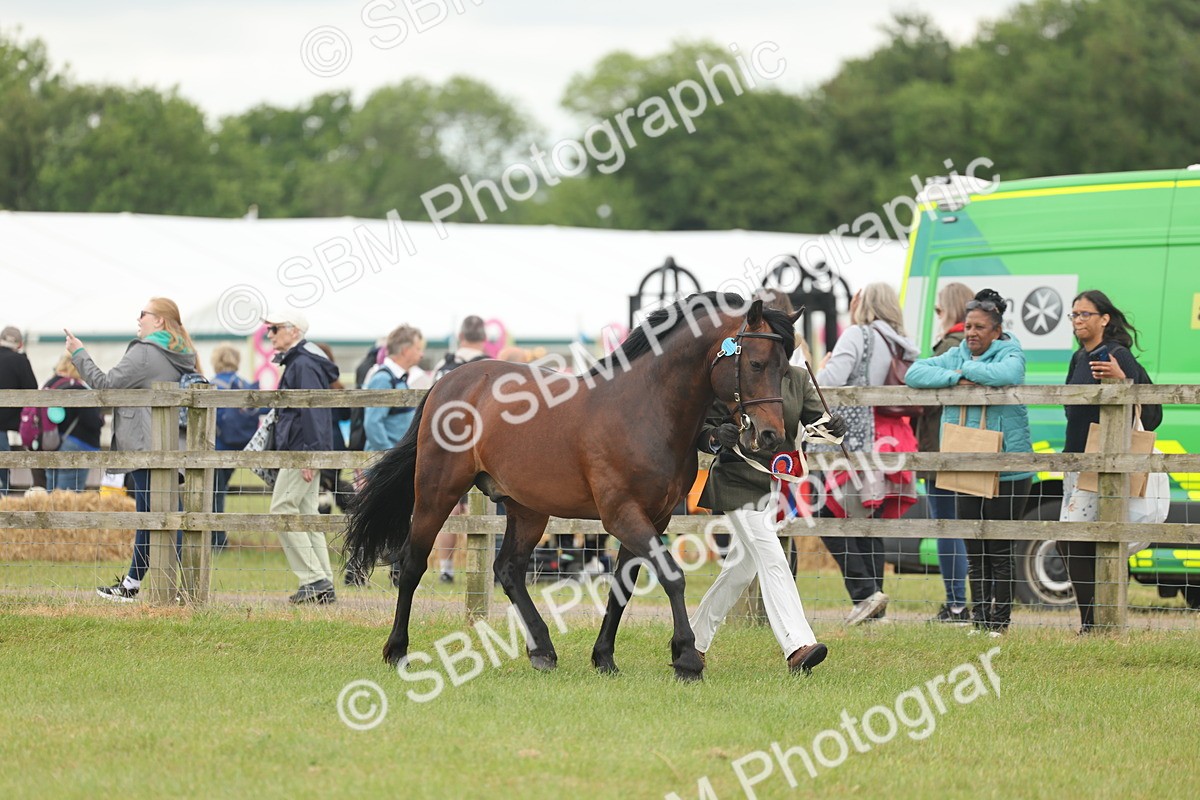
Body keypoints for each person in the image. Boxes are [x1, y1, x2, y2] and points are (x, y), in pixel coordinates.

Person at [690, 312, 846, 674]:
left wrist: (833, 427)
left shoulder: (799, 380)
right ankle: (797, 644)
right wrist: (717, 438)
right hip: (735, 481)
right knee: (772, 556)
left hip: (772, 487)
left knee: (741, 569)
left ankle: (692, 640)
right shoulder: (736, 378)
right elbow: (705, 431)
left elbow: (815, 426)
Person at [906, 288, 1034, 636]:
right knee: (974, 545)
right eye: (969, 327)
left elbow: (1007, 374)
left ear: (996, 330)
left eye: (980, 327)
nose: (972, 333)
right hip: (965, 462)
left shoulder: (1011, 351)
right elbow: (914, 374)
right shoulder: (959, 353)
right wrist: (953, 377)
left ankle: (1001, 619)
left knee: (1000, 545)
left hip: (1008, 468)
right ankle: (979, 617)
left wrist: (965, 370)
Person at [68, 299, 197, 601]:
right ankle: (134, 583)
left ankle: (170, 588)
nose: (138, 319)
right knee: (157, 515)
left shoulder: (145, 353)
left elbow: (106, 384)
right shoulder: (180, 354)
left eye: (143, 314)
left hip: (143, 443)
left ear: (160, 321)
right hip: (168, 445)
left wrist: (78, 353)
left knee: (156, 516)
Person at [1055, 290, 1161, 633]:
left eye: (1085, 314)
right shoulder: (1077, 358)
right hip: (1077, 464)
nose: (1078, 321)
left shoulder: (1118, 355)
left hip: (1105, 466)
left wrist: (1122, 382)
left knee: (1074, 540)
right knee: (1088, 541)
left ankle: (1094, 624)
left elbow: (1153, 414)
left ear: (1104, 319)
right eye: (1074, 315)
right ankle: (1101, 623)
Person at [814, 283, 920, 625]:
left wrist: (823, 364)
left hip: (853, 438)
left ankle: (865, 595)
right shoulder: (900, 341)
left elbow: (831, 380)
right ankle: (876, 607)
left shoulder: (858, 334)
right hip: (888, 434)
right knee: (867, 521)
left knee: (824, 511)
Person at [264, 309, 341, 604]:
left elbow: (313, 410)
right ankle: (323, 582)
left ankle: (314, 579)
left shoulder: (303, 363)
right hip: (304, 446)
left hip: (302, 448)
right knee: (307, 514)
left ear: (293, 331)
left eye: (275, 328)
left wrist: (309, 455)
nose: (270, 334)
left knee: (283, 509)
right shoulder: (302, 360)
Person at [913, 282, 974, 623]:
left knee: (946, 526)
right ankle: (959, 600)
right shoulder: (966, 345)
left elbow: (917, 379)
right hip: (957, 442)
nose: (937, 316)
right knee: (956, 524)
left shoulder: (950, 345)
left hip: (940, 443)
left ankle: (956, 603)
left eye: (939, 309)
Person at [429, 315, 490, 583]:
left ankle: (446, 568)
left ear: (461, 336)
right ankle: (487, 568)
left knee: (449, 507)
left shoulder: (445, 365)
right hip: (486, 446)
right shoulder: (492, 366)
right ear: (483, 338)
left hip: (447, 442)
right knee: (490, 506)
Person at [210, 344, 263, 549]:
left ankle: (217, 540)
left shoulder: (213, 386)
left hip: (219, 446)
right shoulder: (244, 384)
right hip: (242, 445)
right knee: (219, 490)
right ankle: (219, 539)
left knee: (214, 493)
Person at [43, 355, 104, 492]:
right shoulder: (78, 388)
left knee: (52, 495)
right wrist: (100, 418)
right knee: (69, 498)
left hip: (51, 442)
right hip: (75, 444)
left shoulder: (51, 384)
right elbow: (92, 421)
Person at [0, 326, 38, 495]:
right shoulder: (19, 360)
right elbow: (32, 389)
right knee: (3, 461)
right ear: (20, 344)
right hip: (9, 422)